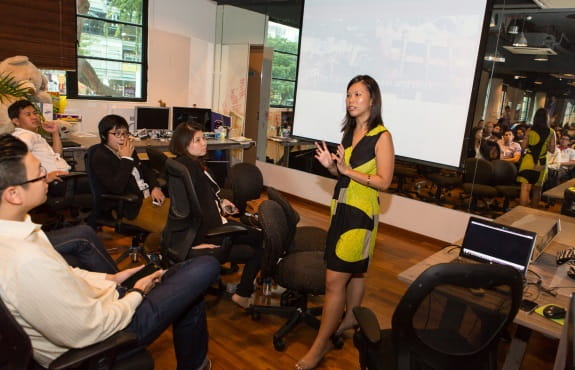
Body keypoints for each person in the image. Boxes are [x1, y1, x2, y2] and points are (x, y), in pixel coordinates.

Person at [0, 134, 220, 369]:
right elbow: (87, 330)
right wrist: (136, 293)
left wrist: (111, 278)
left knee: (185, 283)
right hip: (104, 339)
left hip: (102, 305)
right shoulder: (25, 260)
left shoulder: (19, 232)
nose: (47, 177)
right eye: (39, 173)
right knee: (204, 267)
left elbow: (65, 273)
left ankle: (195, 365)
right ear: (13, 194)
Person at [299, 75, 394, 370]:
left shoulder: (382, 136)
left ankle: (320, 345)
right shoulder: (349, 132)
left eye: (357, 95)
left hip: (361, 215)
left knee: (333, 280)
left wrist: (347, 171)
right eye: (348, 95)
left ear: (372, 100)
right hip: (341, 209)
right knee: (356, 272)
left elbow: (384, 182)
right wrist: (332, 168)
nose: (351, 100)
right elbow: (343, 174)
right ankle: (352, 317)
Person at [169, 122, 263, 309]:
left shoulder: (185, 166)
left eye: (204, 138)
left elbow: (201, 199)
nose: (204, 143)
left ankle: (249, 283)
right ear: (184, 144)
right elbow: (197, 211)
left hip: (205, 227)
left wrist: (221, 201)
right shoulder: (192, 171)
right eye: (198, 140)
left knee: (253, 242)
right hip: (211, 231)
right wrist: (196, 243)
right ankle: (244, 292)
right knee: (263, 237)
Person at [91, 115, 168, 232]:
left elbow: (146, 171)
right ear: (104, 135)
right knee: (168, 229)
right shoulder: (101, 157)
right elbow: (117, 188)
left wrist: (155, 187)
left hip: (149, 198)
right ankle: (150, 248)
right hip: (129, 207)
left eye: (125, 133)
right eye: (117, 134)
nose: (123, 138)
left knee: (183, 215)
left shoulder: (127, 149)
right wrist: (126, 159)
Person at [8, 99, 71, 190]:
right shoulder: (25, 136)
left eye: (35, 113)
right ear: (16, 121)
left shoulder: (32, 135)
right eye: (28, 114)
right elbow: (15, 163)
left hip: (60, 180)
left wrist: (55, 133)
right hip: (53, 184)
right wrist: (45, 178)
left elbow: (57, 156)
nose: (34, 117)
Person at [517, 108, 556, 207]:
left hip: (528, 161)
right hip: (541, 162)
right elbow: (552, 150)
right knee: (537, 189)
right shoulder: (551, 132)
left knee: (525, 188)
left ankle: (521, 213)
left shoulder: (530, 130)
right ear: (547, 118)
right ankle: (532, 213)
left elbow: (523, 146)